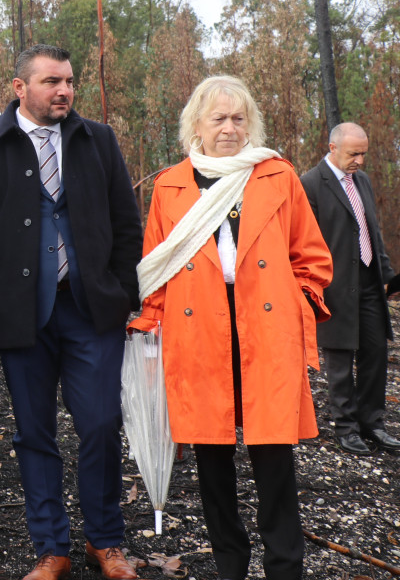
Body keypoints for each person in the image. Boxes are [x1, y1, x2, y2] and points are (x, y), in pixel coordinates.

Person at [0, 44, 142, 580]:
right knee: (33, 431)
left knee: (101, 423)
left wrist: (127, 295)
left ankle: (105, 541)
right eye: (52, 81)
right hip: (19, 312)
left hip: (91, 309)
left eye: (69, 81)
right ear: (19, 87)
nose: (64, 91)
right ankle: (52, 548)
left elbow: (127, 224)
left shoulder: (98, 140)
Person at [129, 75, 333, 580]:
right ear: (196, 125)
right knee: (212, 458)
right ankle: (230, 566)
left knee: (273, 456)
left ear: (251, 125)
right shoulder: (171, 185)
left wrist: (298, 305)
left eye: (239, 118)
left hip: (266, 329)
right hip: (196, 331)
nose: (229, 128)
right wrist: (149, 332)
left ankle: (284, 567)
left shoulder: (277, 175)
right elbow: (155, 269)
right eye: (218, 118)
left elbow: (311, 257)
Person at [300, 122, 399, 454]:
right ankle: (346, 428)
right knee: (339, 359)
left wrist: (387, 276)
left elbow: (372, 231)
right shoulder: (310, 184)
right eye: (354, 154)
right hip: (334, 286)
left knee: (375, 353)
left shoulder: (362, 181)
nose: (360, 160)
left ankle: (373, 424)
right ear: (333, 148)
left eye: (363, 154)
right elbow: (304, 241)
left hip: (369, 283)